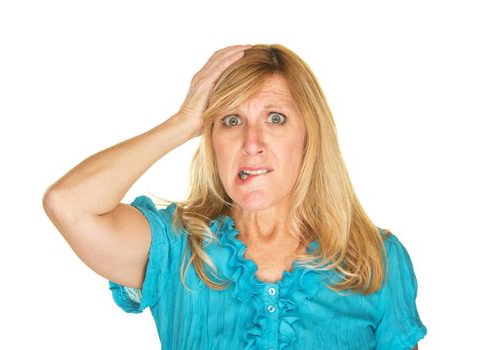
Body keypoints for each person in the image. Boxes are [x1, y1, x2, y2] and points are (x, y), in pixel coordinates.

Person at [43, 44, 427, 349]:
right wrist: (185, 121)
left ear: (310, 135)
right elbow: (68, 203)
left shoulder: (374, 259)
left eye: (275, 118)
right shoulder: (175, 247)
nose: (251, 143)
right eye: (231, 120)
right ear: (212, 139)